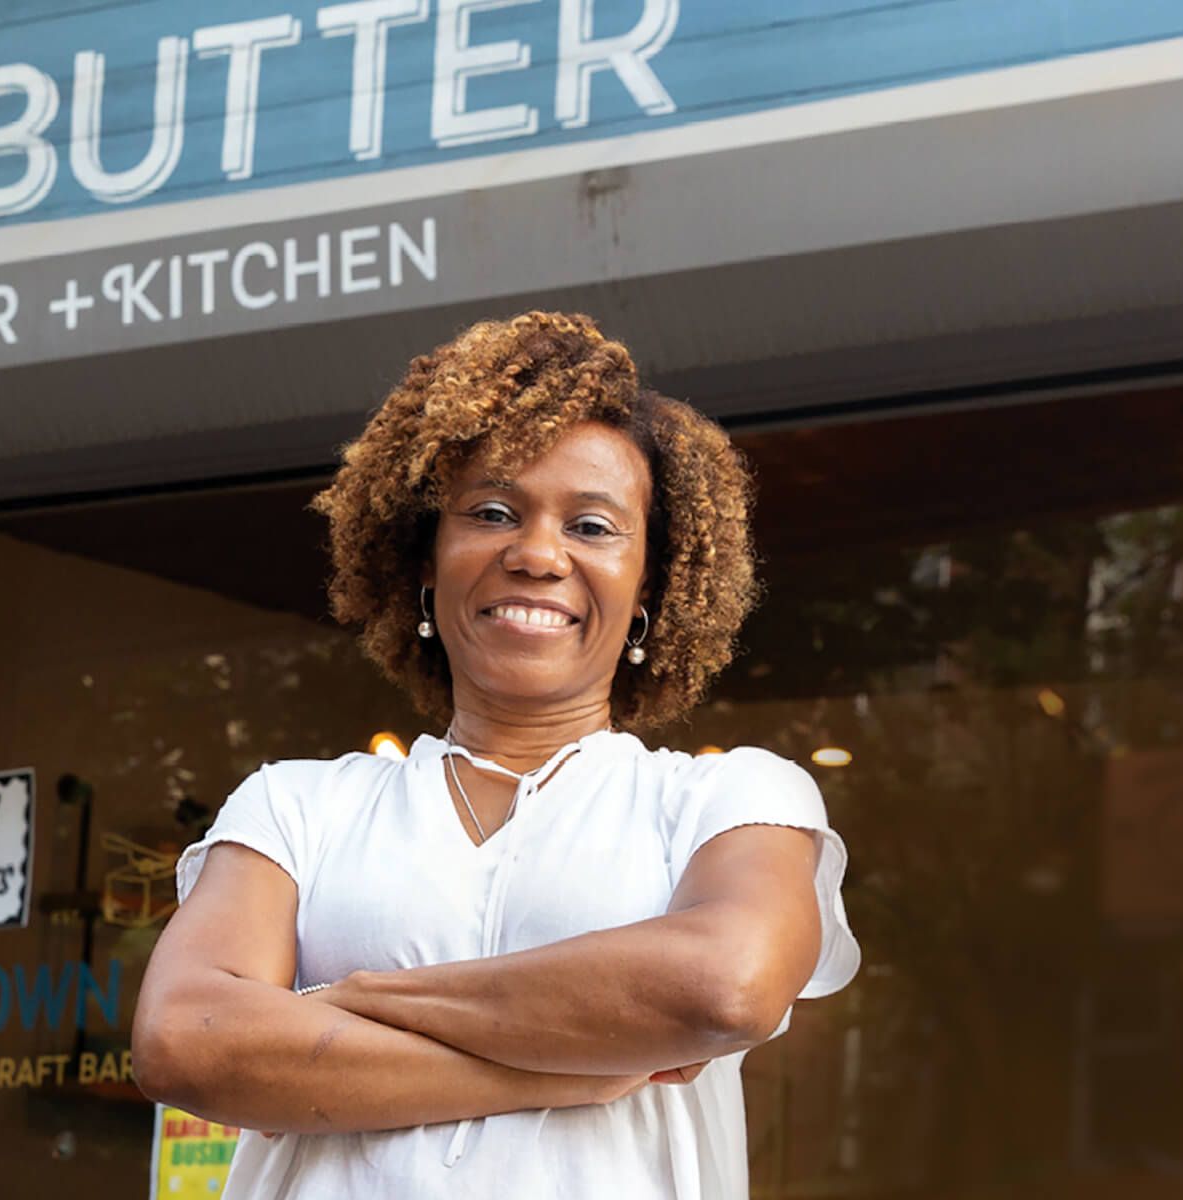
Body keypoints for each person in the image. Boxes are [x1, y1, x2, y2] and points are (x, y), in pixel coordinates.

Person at [130, 311, 862, 1197]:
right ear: (425, 569)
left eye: (593, 527)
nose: (537, 553)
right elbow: (184, 1038)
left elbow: (727, 986)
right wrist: (574, 1062)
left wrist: (338, 1009)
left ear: (647, 597)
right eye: (491, 511)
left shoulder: (731, 798)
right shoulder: (297, 807)